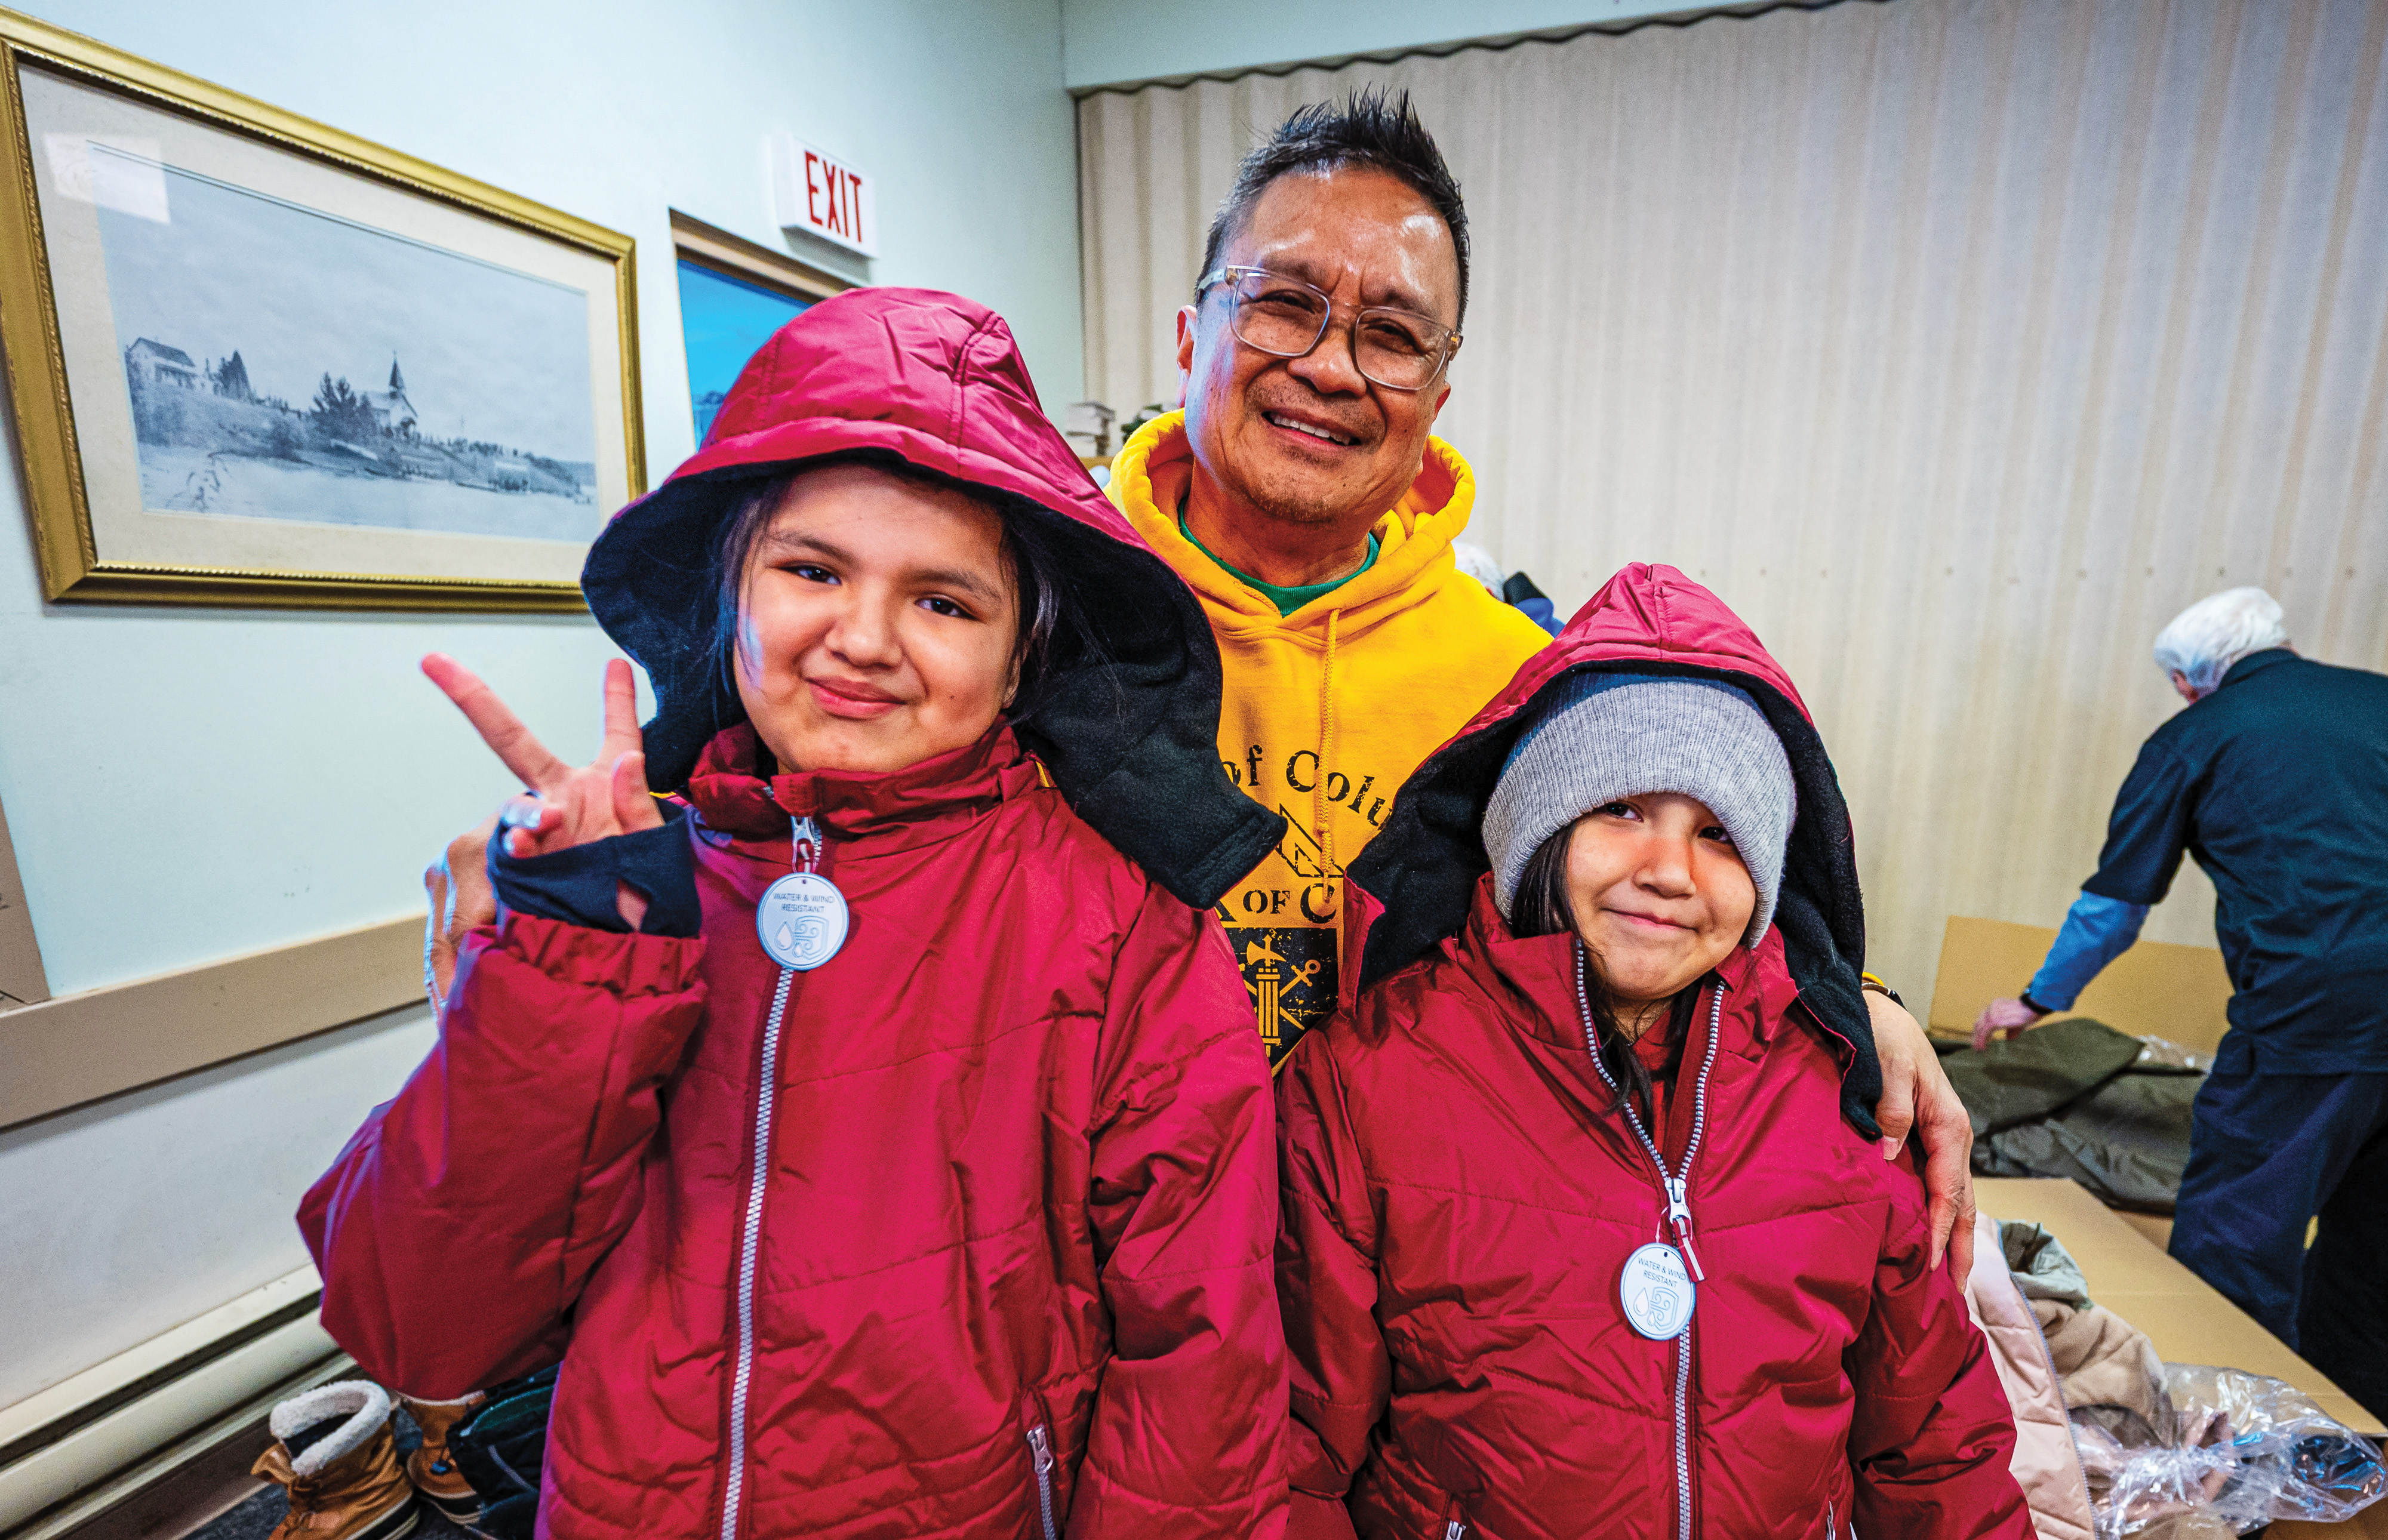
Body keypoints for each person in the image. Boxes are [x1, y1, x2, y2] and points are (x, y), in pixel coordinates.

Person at [300, 290, 1288, 1538]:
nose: (862, 638)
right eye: (812, 570)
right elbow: (421, 1327)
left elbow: (1198, 1359)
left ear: (1020, 653)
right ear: (732, 594)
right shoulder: (623, 893)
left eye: (944, 601)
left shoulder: (1120, 925)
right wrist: (572, 959)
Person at [1102, 88, 1980, 1266]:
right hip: (1092, 1251)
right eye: (1282, 304)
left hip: (1403, 1271)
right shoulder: (1046, 616)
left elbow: (1656, 901)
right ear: (1188, 332)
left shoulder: (1518, 687)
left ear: (1435, 395)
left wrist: (1853, 996)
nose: (1328, 366)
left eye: (1392, 333)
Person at [1278, 565, 2032, 1538]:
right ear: (1533, 830)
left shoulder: (1841, 1089)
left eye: (1720, 835)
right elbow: (1295, 1452)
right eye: (1621, 810)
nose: (1669, 873)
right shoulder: (1367, 1083)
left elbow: (1937, 1447)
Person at [1973, 587, 2388, 1419]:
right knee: (2374, 1247)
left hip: (2314, 1017)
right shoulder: (2375, 698)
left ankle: (2226, 1451)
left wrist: (2035, 998)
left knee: (2239, 1235)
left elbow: (2116, 907)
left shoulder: (2196, 737)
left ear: (2192, 680)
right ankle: (2354, 1437)